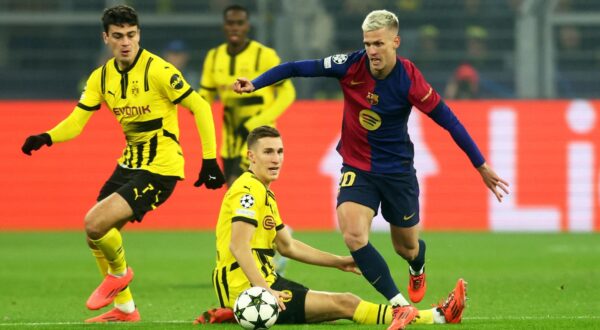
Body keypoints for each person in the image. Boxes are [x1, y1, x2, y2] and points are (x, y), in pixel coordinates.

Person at [233, 9, 509, 330]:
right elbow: (296, 67)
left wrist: (481, 165)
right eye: (367, 44)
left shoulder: (410, 80)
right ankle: (399, 305)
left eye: (378, 44)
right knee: (352, 233)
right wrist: (256, 83)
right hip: (357, 166)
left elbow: (450, 121)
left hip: (397, 173)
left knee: (405, 246)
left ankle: (417, 266)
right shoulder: (350, 65)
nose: (372, 51)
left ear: (396, 42)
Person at [20, 5, 225, 323]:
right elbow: (77, 122)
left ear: (139, 34)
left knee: (95, 223)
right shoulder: (101, 78)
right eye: (118, 36)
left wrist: (209, 158)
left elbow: (199, 106)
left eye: (131, 35)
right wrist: (46, 137)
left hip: (161, 169)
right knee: (96, 235)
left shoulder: (158, 70)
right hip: (129, 165)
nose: (126, 42)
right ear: (106, 38)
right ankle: (126, 309)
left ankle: (119, 275)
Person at [194, 126, 467, 328]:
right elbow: (238, 246)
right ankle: (439, 317)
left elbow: (287, 246)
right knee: (345, 303)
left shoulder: (264, 192)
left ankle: (232, 313)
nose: (276, 159)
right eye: (268, 152)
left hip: (261, 283)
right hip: (248, 290)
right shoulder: (247, 190)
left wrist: (338, 262)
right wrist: (264, 292)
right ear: (250, 156)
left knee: (335, 306)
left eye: (280, 151)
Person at [198, 4, 296, 187]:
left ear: (247, 26)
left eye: (240, 23)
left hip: (259, 138)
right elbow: (205, 97)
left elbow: (288, 93)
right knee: (241, 195)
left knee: (240, 187)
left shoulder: (264, 55)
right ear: (224, 26)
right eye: (230, 23)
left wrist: (260, 120)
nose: (235, 27)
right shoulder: (214, 57)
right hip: (230, 141)